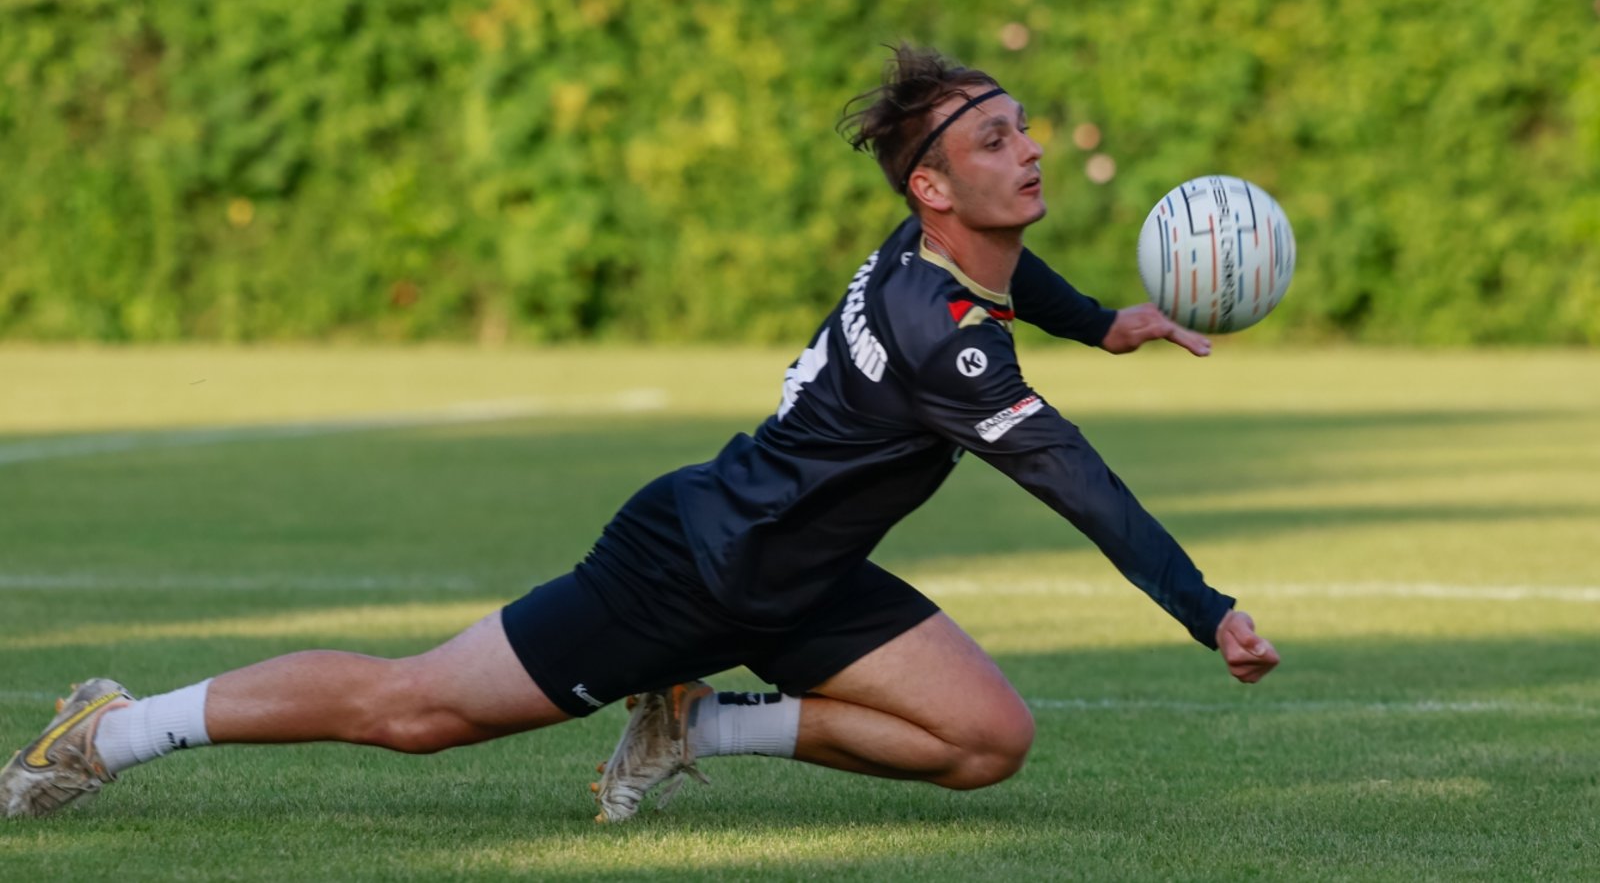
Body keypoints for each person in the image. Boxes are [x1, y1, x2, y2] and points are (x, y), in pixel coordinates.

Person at [1, 44, 1279, 823]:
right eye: (996, 139)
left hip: (801, 576)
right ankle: (114, 729)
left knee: (986, 743)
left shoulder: (932, 257)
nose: (1032, 146)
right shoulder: (945, 335)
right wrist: (1201, 606)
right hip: (691, 563)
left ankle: (696, 723)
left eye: (1021, 124)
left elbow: (1010, 282)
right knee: (413, 712)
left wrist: (1103, 320)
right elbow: (1078, 483)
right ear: (930, 190)